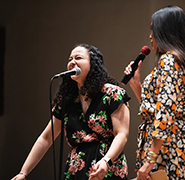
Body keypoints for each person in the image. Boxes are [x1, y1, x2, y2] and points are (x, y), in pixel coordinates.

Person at [11, 44, 130, 180]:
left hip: (107, 166)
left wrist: (106, 161)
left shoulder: (113, 94)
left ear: (93, 64)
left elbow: (122, 134)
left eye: (78, 58)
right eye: (69, 59)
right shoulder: (67, 101)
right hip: (76, 169)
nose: (72, 62)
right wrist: (23, 172)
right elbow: (45, 138)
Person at [124, 5, 185, 180]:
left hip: (166, 150)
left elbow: (165, 113)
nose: (150, 36)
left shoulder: (169, 60)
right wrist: (136, 85)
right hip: (174, 145)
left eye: (154, 29)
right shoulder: (180, 60)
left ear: (167, 32)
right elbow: (160, 108)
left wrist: (150, 159)